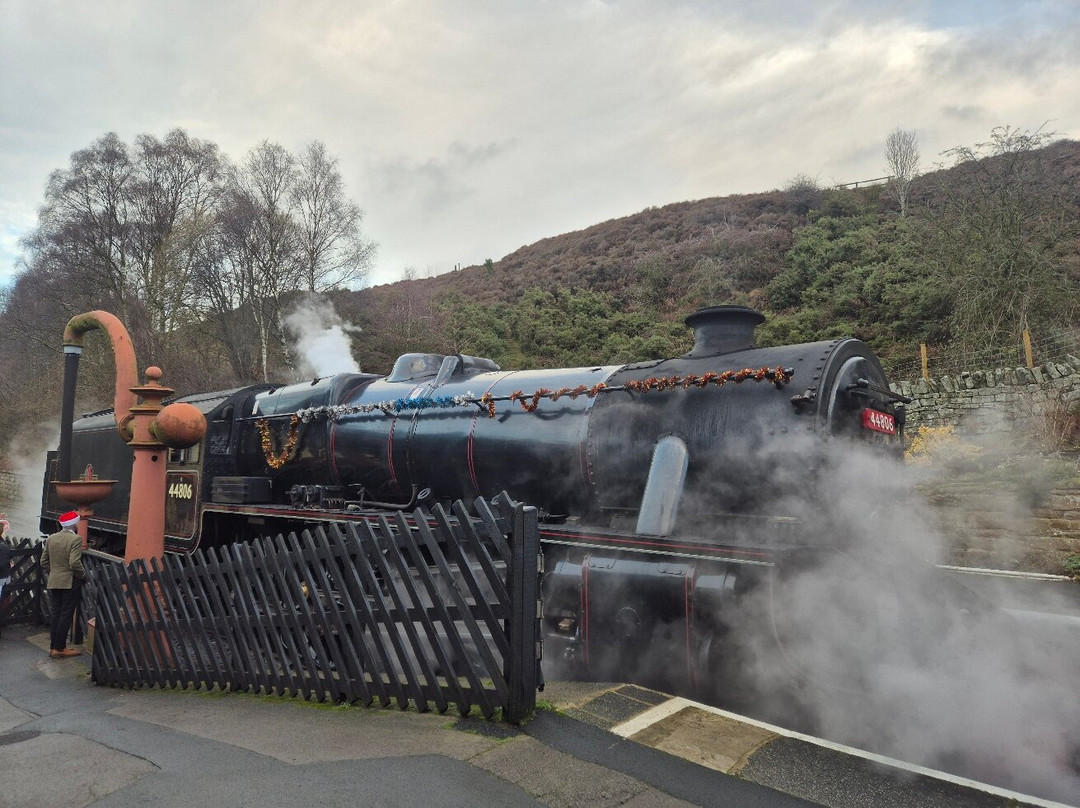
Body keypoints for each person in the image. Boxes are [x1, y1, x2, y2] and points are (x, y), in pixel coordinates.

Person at [40, 511, 86, 658]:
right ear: (75, 525)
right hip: (69, 581)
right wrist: (83, 575)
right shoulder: (76, 539)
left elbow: (43, 562)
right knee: (66, 615)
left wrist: (54, 571)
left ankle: (53, 647)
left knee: (56, 614)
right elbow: (74, 562)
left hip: (54, 580)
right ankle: (60, 648)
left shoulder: (51, 538)